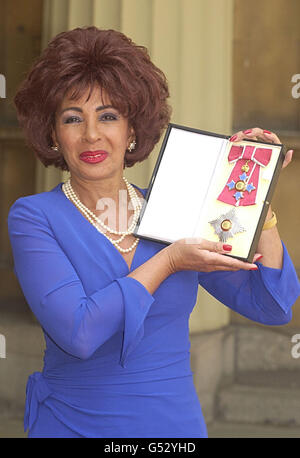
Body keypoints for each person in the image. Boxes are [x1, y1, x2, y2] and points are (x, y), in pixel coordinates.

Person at [8, 26, 300, 438]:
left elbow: (272, 307)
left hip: (173, 429)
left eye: (108, 116)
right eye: (73, 118)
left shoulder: (176, 211)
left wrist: (259, 208)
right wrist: (169, 261)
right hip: (71, 425)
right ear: (54, 134)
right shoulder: (34, 217)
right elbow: (79, 333)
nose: (92, 134)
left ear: (132, 130)